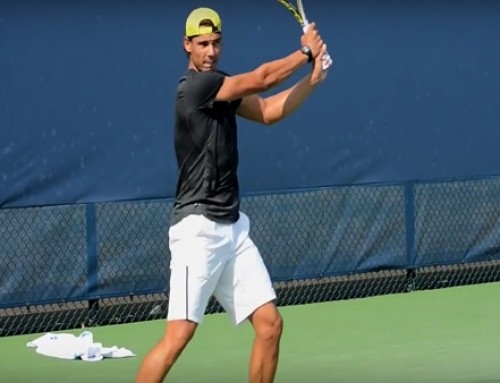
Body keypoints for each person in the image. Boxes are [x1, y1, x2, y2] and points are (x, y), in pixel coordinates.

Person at [135, 6, 329, 383]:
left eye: (216, 44)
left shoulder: (222, 90)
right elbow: (261, 79)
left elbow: (270, 111)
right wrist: (305, 53)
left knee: (270, 325)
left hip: (232, 229)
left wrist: (312, 80)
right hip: (198, 230)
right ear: (187, 46)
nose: (210, 52)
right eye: (203, 44)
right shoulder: (197, 87)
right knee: (178, 337)